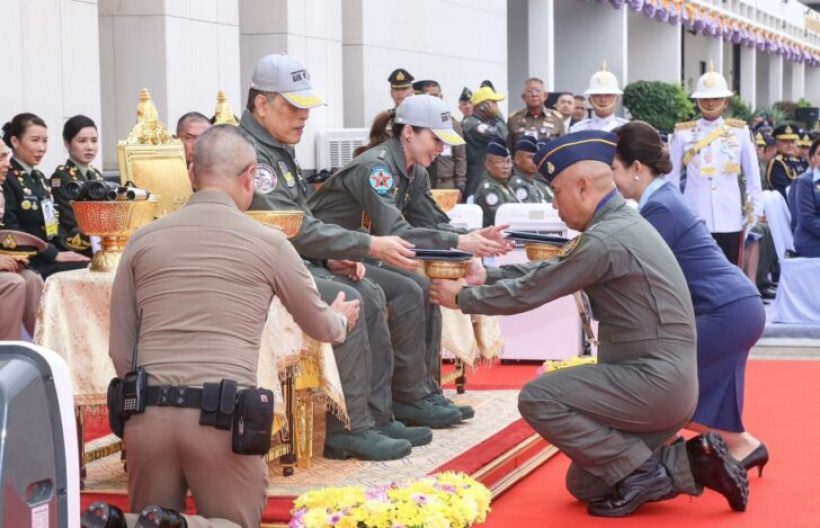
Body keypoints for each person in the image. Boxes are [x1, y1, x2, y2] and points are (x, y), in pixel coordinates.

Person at [428, 129, 749, 517]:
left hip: (653, 385)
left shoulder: (606, 239)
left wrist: (462, 298)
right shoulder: (617, 226)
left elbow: (533, 290)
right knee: (583, 483)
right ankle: (693, 462)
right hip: (663, 385)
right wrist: (487, 278)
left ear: (582, 187)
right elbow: (553, 268)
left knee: (538, 397)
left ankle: (648, 471)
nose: (555, 206)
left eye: (557, 194)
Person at [108, 125, 362, 527]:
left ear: (192, 173)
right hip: (221, 419)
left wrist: (146, 407)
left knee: (145, 520)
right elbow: (319, 325)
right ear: (249, 177)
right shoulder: (269, 242)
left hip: (147, 416)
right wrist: (341, 320)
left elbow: (121, 347)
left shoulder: (142, 239)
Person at [242, 54, 459, 440]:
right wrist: (365, 246)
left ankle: (381, 414)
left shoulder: (276, 149)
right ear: (262, 104)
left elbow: (299, 226)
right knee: (362, 296)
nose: (304, 116)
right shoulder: (252, 154)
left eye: (306, 107)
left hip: (302, 256)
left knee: (392, 289)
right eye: (294, 106)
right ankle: (350, 427)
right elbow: (293, 229)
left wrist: (332, 254)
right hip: (261, 270)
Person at [308, 94, 511, 420]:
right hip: (327, 256)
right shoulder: (377, 168)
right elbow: (398, 230)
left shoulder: (414, 171)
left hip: (365, 255)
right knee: (410, 289)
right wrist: (460, 241)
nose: (441, 149)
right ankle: (407, 397)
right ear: (408, 133)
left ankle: (425, 391)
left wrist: (466, 250)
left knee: (424, 285)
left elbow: (431, 220)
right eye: (435, 139)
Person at [613, 120, 768, 472]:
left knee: (661, 382)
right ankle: (742, 449)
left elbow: (634, 275)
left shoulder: (660, 208)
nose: (610, 179)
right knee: (689, 390)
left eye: (613, 169)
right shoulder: (663, 199)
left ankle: (664, 464)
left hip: (725, 310)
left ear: (637, 168)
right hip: (734, 307)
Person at [667, 68, 762, 267]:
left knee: (729, 270)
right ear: (697, 101)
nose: (710, 103)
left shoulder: (740, 132)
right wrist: (674, 214)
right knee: (696, 270)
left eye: (716, 98)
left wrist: (754, 212)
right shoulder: (683, 133)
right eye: (705, 98)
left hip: (730, 216)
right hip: (694, 214)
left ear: (725, 101)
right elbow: (672, 179)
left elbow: (753, 177)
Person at [2, 113, 89, 278]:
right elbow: (11, 230)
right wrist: (53, 254)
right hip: (27, 260)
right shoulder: (7, 178)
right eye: (35, 140)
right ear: (15, 142)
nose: (42, 147)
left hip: (49, 255)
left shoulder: (40, 178)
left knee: (91, 263)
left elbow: (52, 226)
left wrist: (68, 249)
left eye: (45, 140)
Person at [49, 115, 104, 256]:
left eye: (94, 140)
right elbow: (69, 223)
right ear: (67, 143)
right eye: (82, 141)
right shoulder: (61, 177)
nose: (90, 147)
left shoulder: (96, 174)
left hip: (100, 242)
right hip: (77, 247)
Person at [413, 79, 468, 194]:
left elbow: (460, 157)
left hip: (447, 185)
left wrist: (460, 185)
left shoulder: (452, 124)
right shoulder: (417, 124)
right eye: (431, 96)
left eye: (438, 96)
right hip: (422, 184)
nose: (436, 99)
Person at [463, 85, 509, 199]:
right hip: (477, 174)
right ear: (483, 106)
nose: (496, 107)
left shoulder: (485, 121)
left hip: (485, 172)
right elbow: (502, 135)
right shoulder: (473, 124)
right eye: (493, 103)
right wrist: (498, 115)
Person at [361, 68, 416, 153]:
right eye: (396, 89)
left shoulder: (421, 115)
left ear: (412, 91)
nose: (400, 93)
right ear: (391, 93)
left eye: (404, 89)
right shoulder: (383, 118)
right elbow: (374, 145)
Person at [569, 63, 628, 132]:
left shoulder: (626, 128)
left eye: (608, 95)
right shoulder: (578, 129)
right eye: (597, 95)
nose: (603, 100)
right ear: (590, 100)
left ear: (617, 99)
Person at [506, 77, 565, 147]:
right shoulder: (513, 119)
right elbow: (509, 148)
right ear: (523, 97)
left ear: (545, 96)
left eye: (538, 91)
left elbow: (562, 148)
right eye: (529, 91)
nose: (534, 94)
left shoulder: (557, 119)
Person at [474, 139, 520, 226]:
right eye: (500, 162)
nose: (506, 166)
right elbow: (501, 218)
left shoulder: (505, 184)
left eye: (508, 161)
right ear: (488, 165)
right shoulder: (489, 189)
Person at [791, 138, 820, 257]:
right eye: (819, 154)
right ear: (812, 158)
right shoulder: (805, 182)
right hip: (811, 240)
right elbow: (807, 218)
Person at [510, 135, 551, 203]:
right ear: (517, 159)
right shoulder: (517, 184)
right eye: (530, 157)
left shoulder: (536, 183)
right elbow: (528, 212)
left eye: (536, 157)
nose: (535, 161)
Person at [766, 124, 800, 200]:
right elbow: (784, 192)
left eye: (792, 141)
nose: (790, 145)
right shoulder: (777, 164)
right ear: (776, 143)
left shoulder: (791, 161)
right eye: (785, 141)